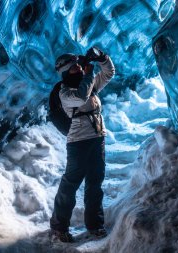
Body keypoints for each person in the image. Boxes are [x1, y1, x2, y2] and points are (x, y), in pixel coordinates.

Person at [50, 47, 115, 242]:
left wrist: (102, 58)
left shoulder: (88, 84)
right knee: (70, 185)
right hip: (78, 143)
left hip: (97, 139)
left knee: (95, 183)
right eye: (73, 68)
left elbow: (109, 73)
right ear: (64, 73)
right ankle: (59, 227)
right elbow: (81, 97)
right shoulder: (65, 93)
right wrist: (88, 74)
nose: (78, 68)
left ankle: (95, 224)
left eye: (78, 65)